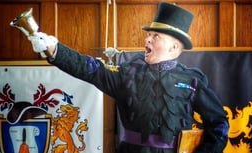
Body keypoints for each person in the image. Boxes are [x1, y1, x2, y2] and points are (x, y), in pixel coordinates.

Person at [27, 2, 229, 153]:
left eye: (155, 36)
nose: (147, 39)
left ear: (174, 47)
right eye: (148, 34)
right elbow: (89, 69)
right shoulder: (127, 74)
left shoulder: (192, 80)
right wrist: (54, 49)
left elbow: (219, 123)